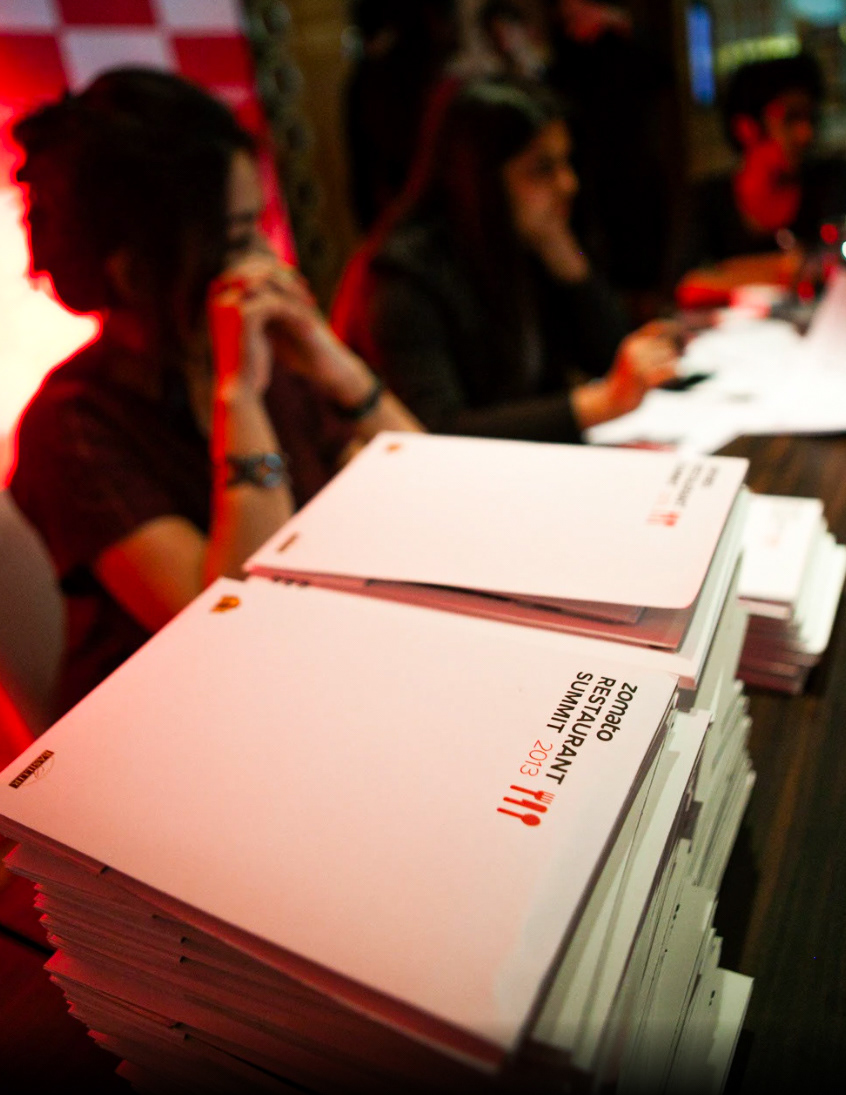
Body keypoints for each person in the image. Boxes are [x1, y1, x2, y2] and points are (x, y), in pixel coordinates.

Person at [9, 67, 420, 715]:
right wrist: (240, 398)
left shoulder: (269, 354)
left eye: (259, 227)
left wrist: (336, 366)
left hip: (311, 673)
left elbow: (427, 485)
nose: (262, 257)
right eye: (236, 237)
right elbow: (233, 625)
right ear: (134, 271)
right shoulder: (72, 425)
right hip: (177, 721)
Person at [333, 78, 679, 442]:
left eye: (566, 162)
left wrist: (572, 266)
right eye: (542, 169)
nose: (568, 183)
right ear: (477, 179)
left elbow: (609, 357)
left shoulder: (531, 240)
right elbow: (435, 431)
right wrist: (598, 403)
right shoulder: (403, 276)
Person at [676, 52, 846, 304]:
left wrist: (729, 274)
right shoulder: (708, 199)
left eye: (809, 117)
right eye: (790, 118)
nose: (806, 133)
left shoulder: (830, 182)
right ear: (746, 127)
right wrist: (782, 270)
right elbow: (686, 284)